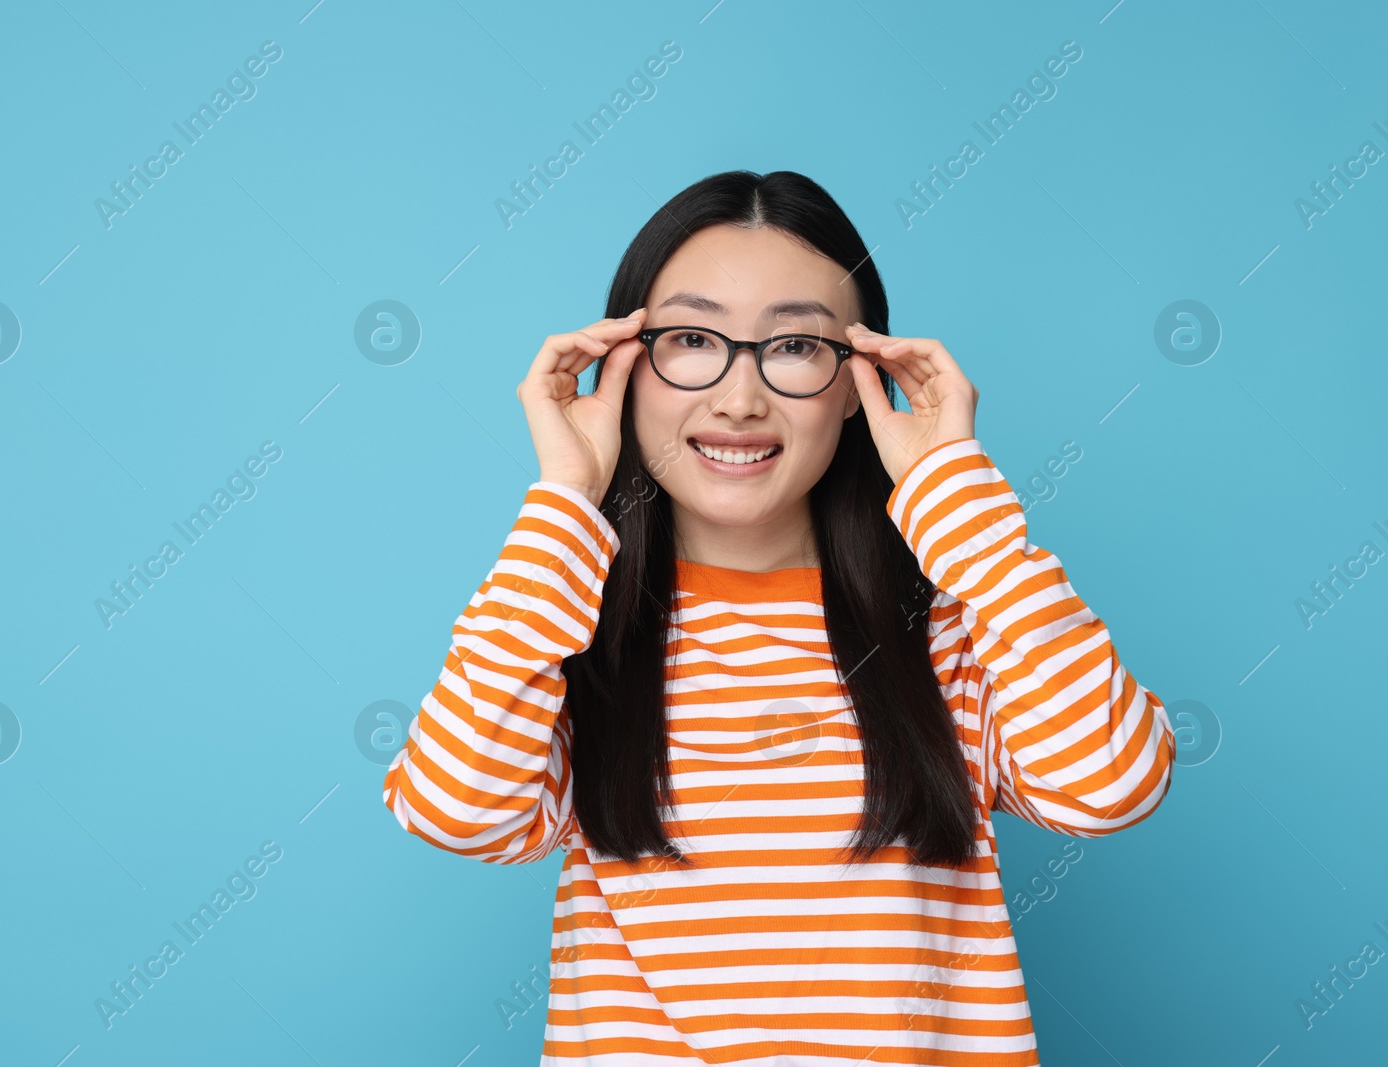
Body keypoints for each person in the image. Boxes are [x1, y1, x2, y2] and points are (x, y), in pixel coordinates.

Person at [382, 169, 1176, 1066]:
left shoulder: (955, 628)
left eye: (794, 346)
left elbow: (1114, 786)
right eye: (690, 338)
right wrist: (568, 499)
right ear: (621, 369)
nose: (739, 397)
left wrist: (961, 506)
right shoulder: (571, 637)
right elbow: (453, 808)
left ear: (857, 382)